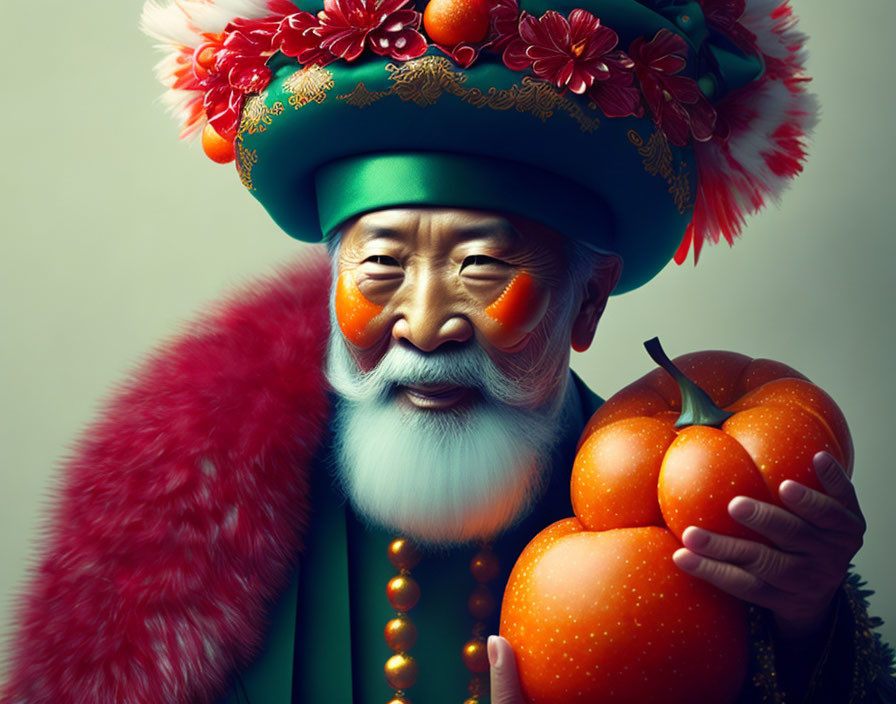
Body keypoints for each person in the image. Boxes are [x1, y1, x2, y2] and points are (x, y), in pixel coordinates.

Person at [2, 0, 893, 703]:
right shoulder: (191, 527)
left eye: (481, 268)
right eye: (382, 267)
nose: (424, 323)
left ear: (586, 301)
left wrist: (807, 615)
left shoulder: (680, 506)